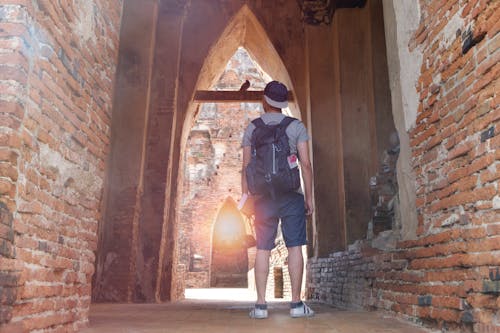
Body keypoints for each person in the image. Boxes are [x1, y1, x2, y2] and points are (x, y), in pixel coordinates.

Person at [241, 80, 314, 319]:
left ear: (265, 101)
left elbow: (245, 167)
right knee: (295, 247)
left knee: (263, 248)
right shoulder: (296, 127)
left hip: (263, 198)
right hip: (291, 195)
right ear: (282, 103)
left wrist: (246, 199)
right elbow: (305, 164)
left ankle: (261, 306)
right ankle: (296, 305)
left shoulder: (252, 128)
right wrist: (309, 198)